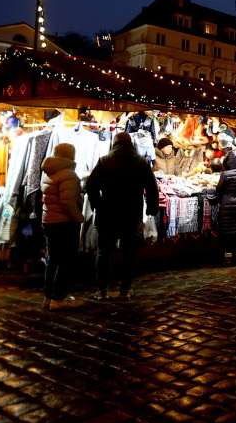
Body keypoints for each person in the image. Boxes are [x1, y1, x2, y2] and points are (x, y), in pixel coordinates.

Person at [86, 132, 158, 300]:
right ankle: (125, 289)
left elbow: (91, 185)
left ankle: (102, 290)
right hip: (131, 213)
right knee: (129, 252)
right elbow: (152, 188)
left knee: (104, 252)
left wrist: (97, 203)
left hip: (107, 211)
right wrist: (151, 210)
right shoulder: (141, 162)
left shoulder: (105, 161)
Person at [41, 143, 86, 310]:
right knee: (65, 260)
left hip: (49, 220)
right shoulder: (69, 174)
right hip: (64, 222)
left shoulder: (49, 172)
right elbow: (67, 202)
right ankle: (59, 298)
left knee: (53, 260)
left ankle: (48, 296)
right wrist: (79, 218)